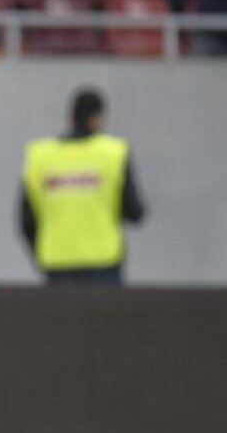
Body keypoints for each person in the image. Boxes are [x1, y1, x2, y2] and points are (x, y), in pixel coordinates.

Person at [19, 87, 145, 285]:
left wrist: (42, 253)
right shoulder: (114, 153)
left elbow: (26, 221)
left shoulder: (40, 156)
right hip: (104, 262)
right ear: (97, 117)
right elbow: (135, 212)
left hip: (56, 265)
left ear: (71, 116)